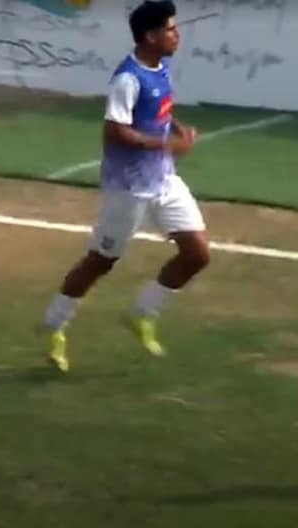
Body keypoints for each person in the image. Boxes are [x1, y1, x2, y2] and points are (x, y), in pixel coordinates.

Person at [41, 0, 210, 372]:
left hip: (164, 181)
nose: (177, 34)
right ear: (151, 36)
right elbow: (116, 130)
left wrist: (176, 127)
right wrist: (168, 145)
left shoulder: (160, 66)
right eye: (171, 29)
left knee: (197, 254)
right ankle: (56, 326)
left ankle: (143, 313)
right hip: (129, 189)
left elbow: (157, 108)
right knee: (101, 261)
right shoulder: (127, 79)